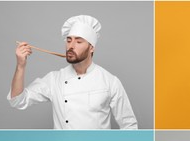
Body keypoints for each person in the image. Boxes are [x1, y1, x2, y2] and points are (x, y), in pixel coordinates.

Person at [8, 15, 138, 129]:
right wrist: (20, 66)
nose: (71, 46)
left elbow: (129, 125)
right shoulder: (54, 79)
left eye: (79, 41)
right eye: (69, 40)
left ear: (91, 47)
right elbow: (18, 101)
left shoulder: (110, 81)